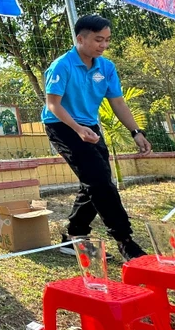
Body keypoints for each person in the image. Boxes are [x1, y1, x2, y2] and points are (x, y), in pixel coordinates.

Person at [41, 15, 152, 261]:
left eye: (107, 40)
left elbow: (118, 102)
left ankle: (74, 237)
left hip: (89, 126)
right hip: (62, 125)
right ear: (80, 39)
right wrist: (78, 129)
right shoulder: (62, 65)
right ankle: (125, 240)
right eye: (98, 40)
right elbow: (52, 105)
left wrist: (136, 132)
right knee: (100, 183)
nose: (103, 45)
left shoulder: (106, 67)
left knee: (95, 181)